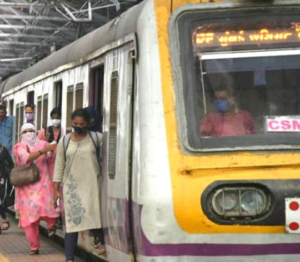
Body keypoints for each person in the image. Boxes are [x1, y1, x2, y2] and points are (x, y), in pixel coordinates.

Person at [53, 108, 105, 262]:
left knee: (92, 216)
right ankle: (69, 258)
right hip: (72, 187)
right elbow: (59, 166)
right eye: (75, 123)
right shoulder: (65, 140)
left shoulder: (97, 138)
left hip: (92, 185)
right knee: (72, 223)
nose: (78, 126)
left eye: (82, 124)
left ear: (88, 124)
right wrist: (56, 189)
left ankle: (101, 242)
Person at [13, 123, 58, 255]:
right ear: (21, 134)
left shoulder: (44, 144)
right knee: (29, 217)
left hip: (43, 181)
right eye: (25, 131)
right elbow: (26, 158)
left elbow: (52, 159)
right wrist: (44, 150)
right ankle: (34, 246)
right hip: (25, 185)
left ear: (36, 131)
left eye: (31, 130)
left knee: (41, 204)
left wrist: (52, 149)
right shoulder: (19, 146)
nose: (28, 133)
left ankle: (51, 224)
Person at [0, 143, 14, 233]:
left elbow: (11, 163)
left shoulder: (2, 149)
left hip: (1, 179)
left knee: (0, 200)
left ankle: (5, 219)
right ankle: (4, 219)